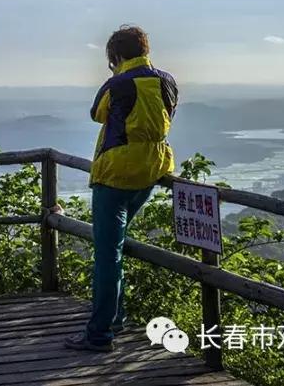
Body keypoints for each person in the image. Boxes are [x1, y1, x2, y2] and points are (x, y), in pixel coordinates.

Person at [65, 25, 177, 352]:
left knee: (107, 255)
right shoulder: (167, 81)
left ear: (115, 56)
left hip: (115, 173)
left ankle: (100, 333)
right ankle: (116, 318)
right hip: (153, 169)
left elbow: (97, 114)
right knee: (116, 247)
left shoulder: (116, 83)